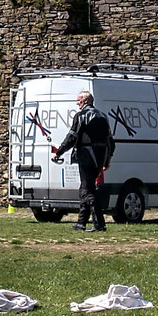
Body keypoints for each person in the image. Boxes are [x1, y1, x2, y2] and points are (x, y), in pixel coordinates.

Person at [51, 90, 116, 231]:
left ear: (85, 101)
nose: (77, 104)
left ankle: (99, 224)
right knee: (85, 188)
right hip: (100, 157)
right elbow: (111, 141)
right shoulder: (103, 116)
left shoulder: (81, 116)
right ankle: (81, 222)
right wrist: (107, 159)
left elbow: (72, 137)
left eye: (79, 101)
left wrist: (59, 152)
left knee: (88, 191)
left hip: (87, 156)